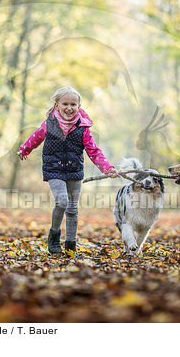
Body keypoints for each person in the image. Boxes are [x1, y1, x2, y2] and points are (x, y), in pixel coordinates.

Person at [18, 86, 118, 254]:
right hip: (54, 169)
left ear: (78, 106)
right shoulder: (48, 124)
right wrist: (25, 149)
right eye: (65, 104)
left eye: (73, 104)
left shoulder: (83, 127)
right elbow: (36, 137)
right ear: (56, 105)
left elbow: (93, 150)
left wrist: (107, 168)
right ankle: (54, 237)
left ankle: (71, 244)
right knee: (62, 201)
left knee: (72, 208)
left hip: (74, 170)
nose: (69, 108)